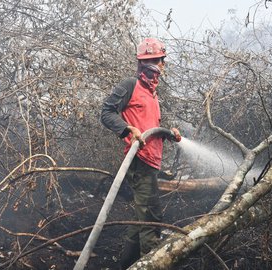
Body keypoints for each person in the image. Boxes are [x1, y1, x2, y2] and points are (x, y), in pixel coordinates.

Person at [100, 37, 181, 269]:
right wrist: (127, 128)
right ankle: (151, 264)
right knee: (151, 220)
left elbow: (149, 128)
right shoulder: (130, 85)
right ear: (146, 62)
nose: (161, 66)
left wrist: (168, 133)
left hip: (151, 162)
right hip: (139, 161)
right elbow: (106, 113)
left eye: (162, 61)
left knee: (140, 218)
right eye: (158, 61)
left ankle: (126, 264)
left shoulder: (153, 94)